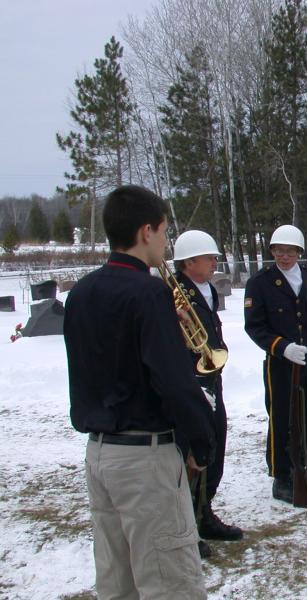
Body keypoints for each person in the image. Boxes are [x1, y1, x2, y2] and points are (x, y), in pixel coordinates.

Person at [64, 185, 215, 600]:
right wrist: (200, 443)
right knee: (170, 581)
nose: (166, 242)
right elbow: (174, 383)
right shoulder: (150, 293)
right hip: (144, 458)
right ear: (146, 231)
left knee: (118, 581)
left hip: (99, 452)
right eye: (165, 231)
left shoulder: (81, 293)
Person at [243, 225, 307, 504]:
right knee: (282, 418)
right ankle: (282, 477)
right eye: (279, 251)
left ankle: (301, 470)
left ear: (299, 252)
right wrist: (281, 347)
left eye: (290, 251)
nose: (284, 256)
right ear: (271, 252)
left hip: (306, 363)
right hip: (280, 365)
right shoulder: (260, 283)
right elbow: (254, 327)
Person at [173, 230, 243, 554]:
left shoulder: (205, 290)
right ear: (189, 262)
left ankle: (204, 512)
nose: (215, 261)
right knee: (193, 456)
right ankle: (187, 525)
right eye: (209, 257)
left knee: (215, 446)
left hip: (211, 380)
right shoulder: (176, 292)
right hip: (191, 384)